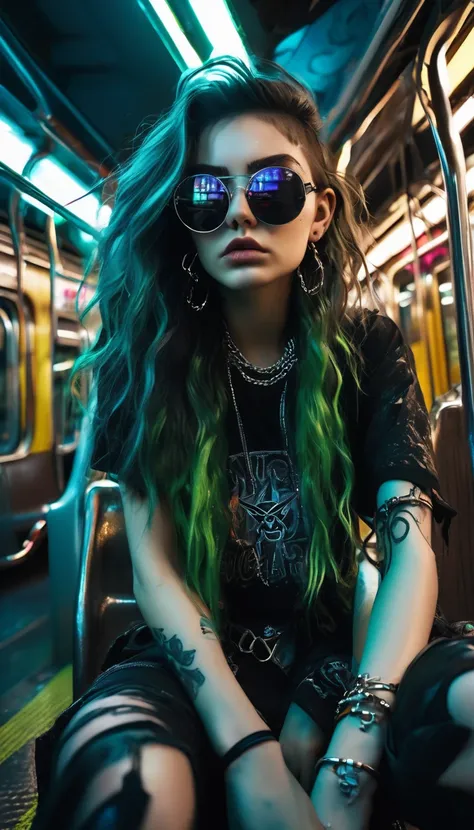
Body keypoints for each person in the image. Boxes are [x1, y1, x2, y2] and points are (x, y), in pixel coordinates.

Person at [32, 56, 474, 830]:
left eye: (272, 188)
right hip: (197, 662)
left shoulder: (367, 347)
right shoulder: (148, 358)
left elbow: (410, 552)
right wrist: (248, 753)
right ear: (185, 218)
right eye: (209, 193)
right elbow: (158, 569)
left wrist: (354, 744)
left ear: (321, 212)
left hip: (356, 650)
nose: (240, 211)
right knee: (130, 787)